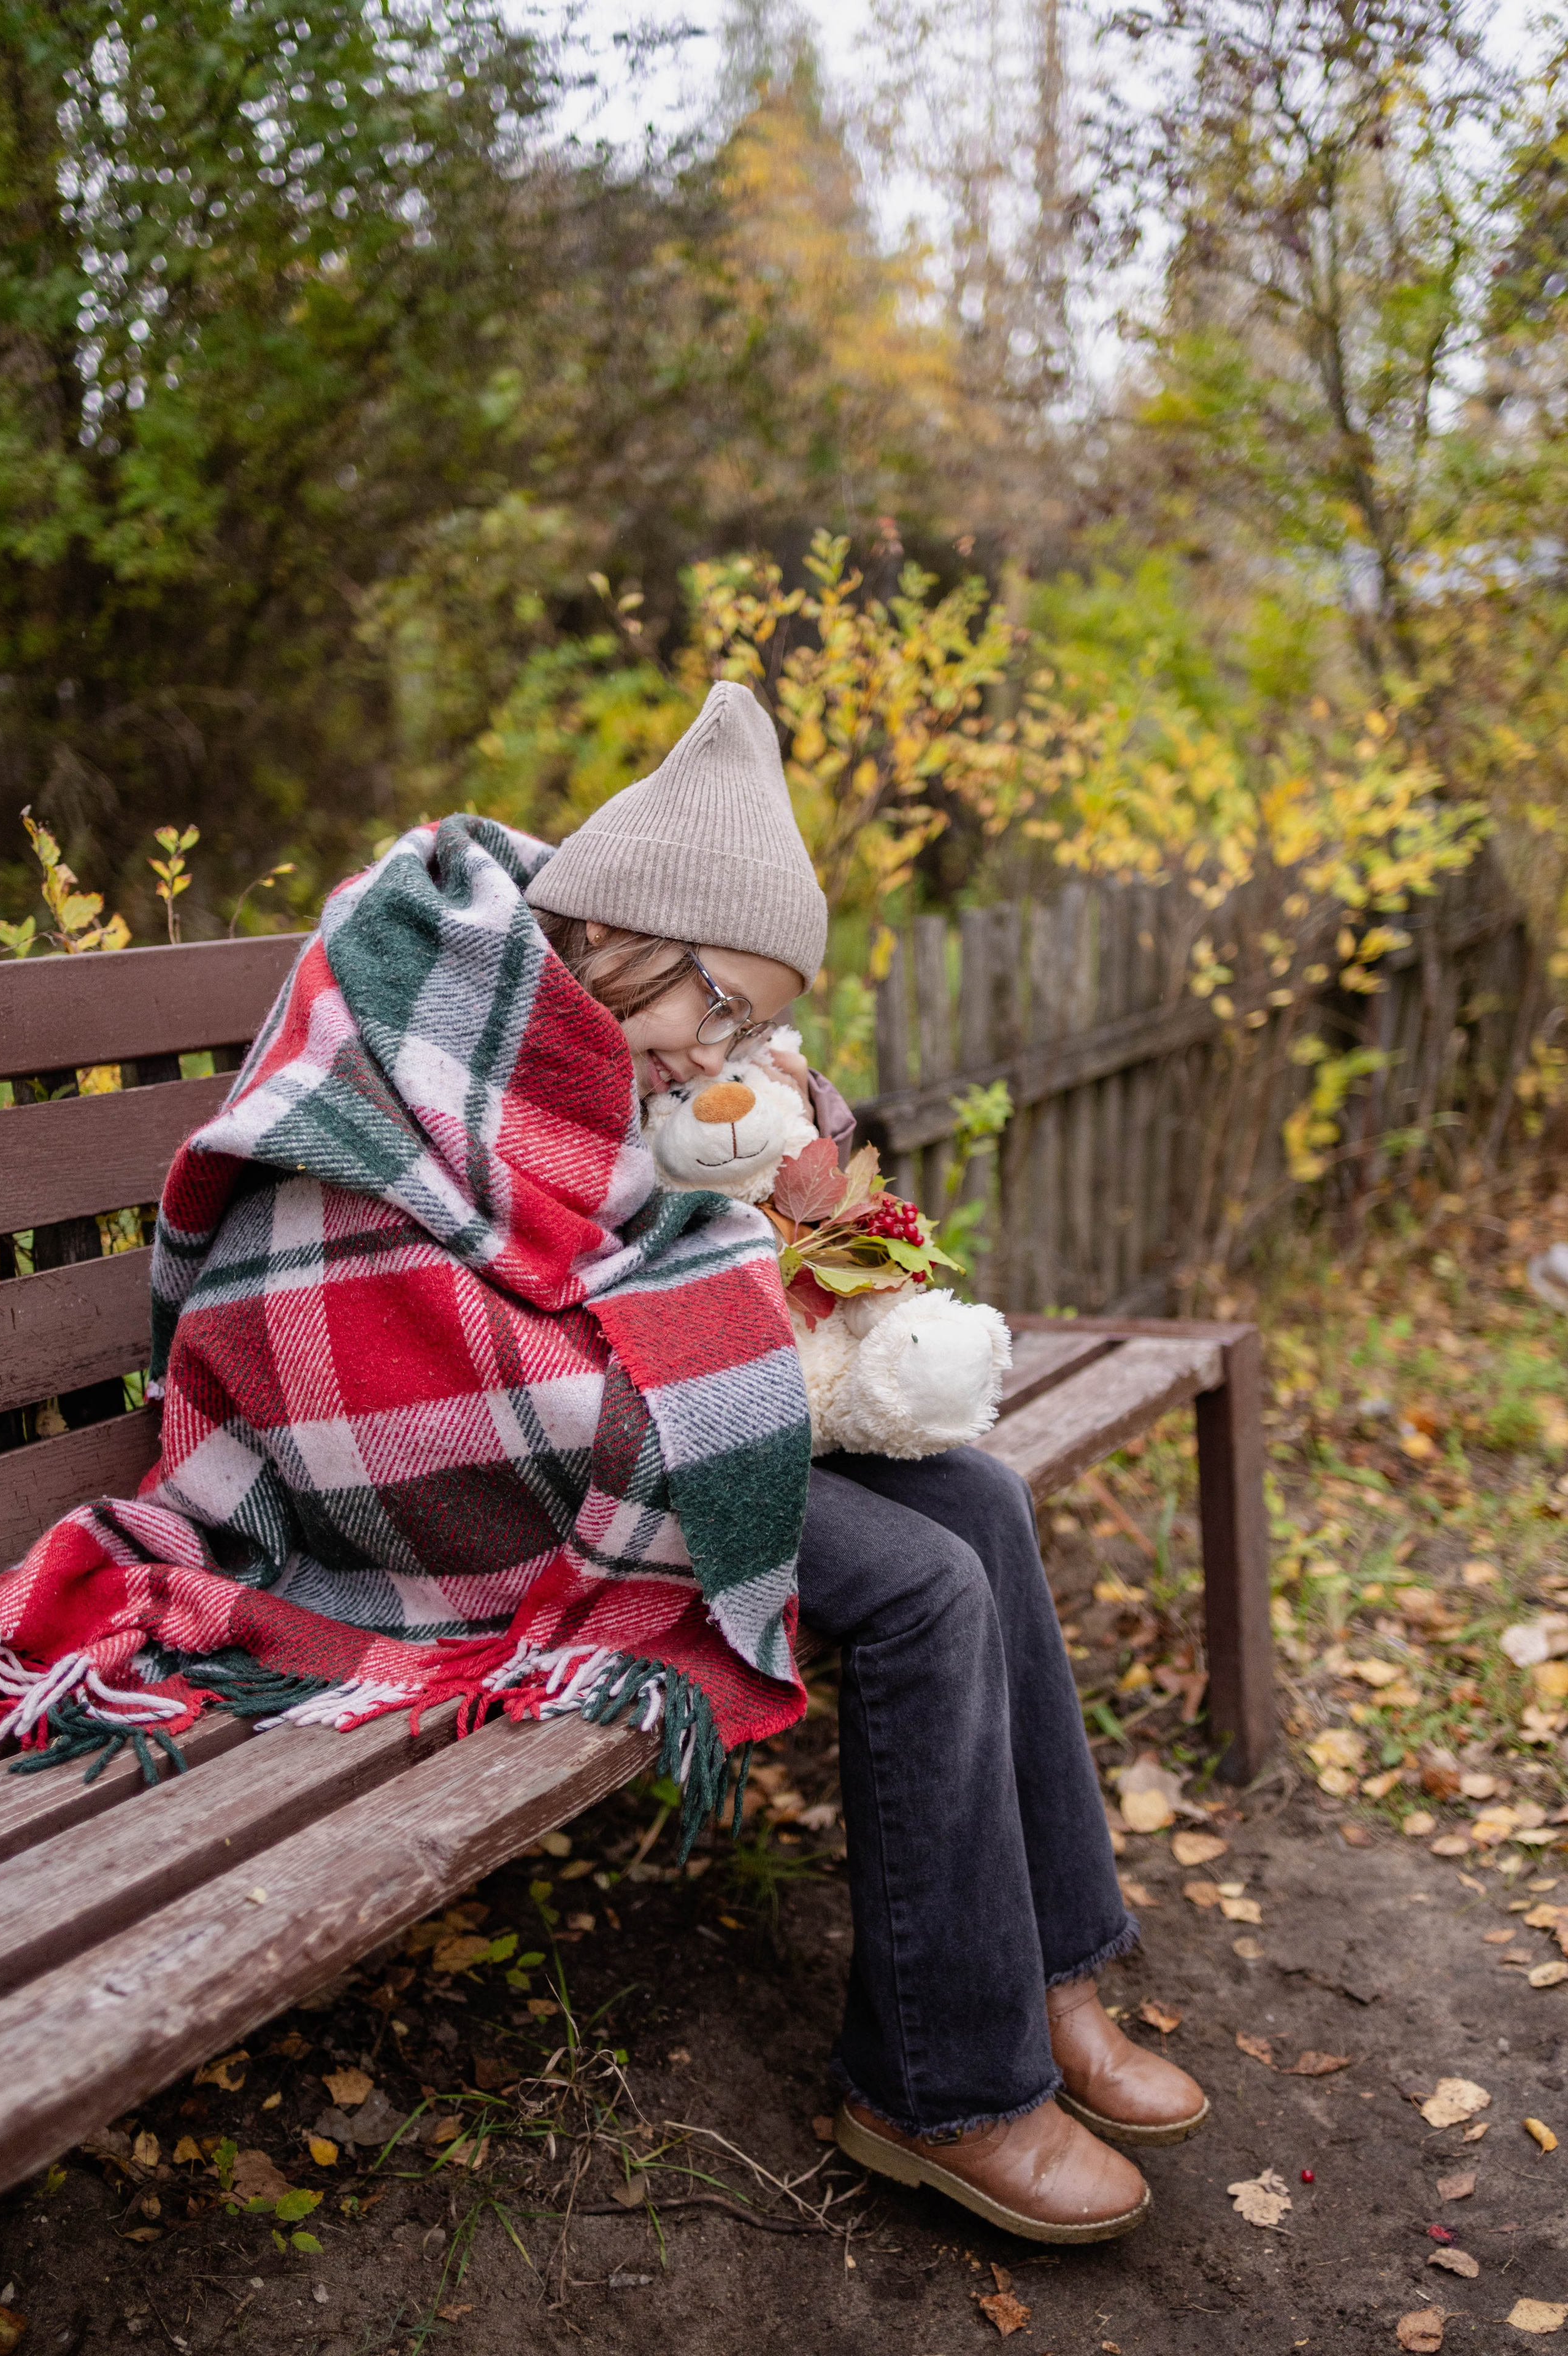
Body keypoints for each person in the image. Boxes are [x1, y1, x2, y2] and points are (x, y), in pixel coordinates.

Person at [524, 680, 1210, 2243]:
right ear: (628, 946)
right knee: (913, 1585)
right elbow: (495, 1331)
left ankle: (1044, 1976)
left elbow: (731, 1222)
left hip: (674, 1418)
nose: (749, 1053)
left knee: (976, 1496)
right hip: (546, 1461)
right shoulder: (491, 1056)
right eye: (733, 1013)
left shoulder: (649, 1060)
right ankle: (937, 2089)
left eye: (767, 1023)